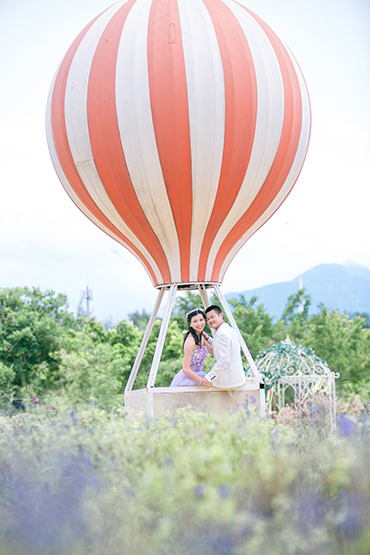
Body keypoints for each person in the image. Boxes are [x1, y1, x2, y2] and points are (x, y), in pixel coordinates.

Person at [204, 305, 246, 389]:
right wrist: (207, 338)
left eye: (212, 317)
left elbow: (224, 360)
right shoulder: (227, 330)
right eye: (208, 319)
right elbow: (218, 345)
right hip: (235, 380)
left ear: (221, 315)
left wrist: (208, 377)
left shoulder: (222, 333)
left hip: (228, 382)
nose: (210, 320)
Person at [170, 308, 213, 387]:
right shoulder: (190, 341)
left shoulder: (201, 337)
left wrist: (207, 337)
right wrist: (202, 381)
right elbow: (185, 369)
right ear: (190, 324)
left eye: (201, 320)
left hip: (198, 376)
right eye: (195, 321)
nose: (199, 323)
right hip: (187, 379)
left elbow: (213, 351)